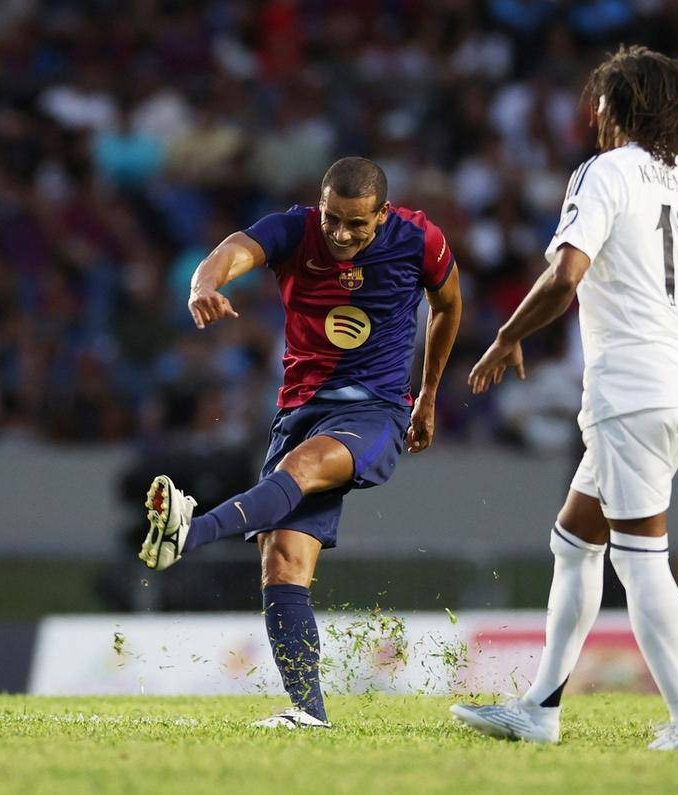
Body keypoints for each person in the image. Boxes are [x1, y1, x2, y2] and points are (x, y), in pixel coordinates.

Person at [452, 46, 678, 751]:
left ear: (624, 106)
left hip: (630, 387)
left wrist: (507, 336)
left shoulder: (605, 172)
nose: (595, 114)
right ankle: (540, 709)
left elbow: (565, 276)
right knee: (575, 540)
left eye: (603, 102)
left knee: (639, 557)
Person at [137, 157, 462, 728]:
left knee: (304, 465)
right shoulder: (294, 229)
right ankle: (308, 712)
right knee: (283, 561)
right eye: (333, 219)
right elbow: (233, 251)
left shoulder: (419, 240)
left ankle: (190, 532)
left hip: (375, 411)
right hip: (299, 410)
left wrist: (429, 394)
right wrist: (204, 284)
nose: (341, 234)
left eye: (357, 224)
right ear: (321, 204)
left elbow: (448, 304)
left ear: (382, 214)